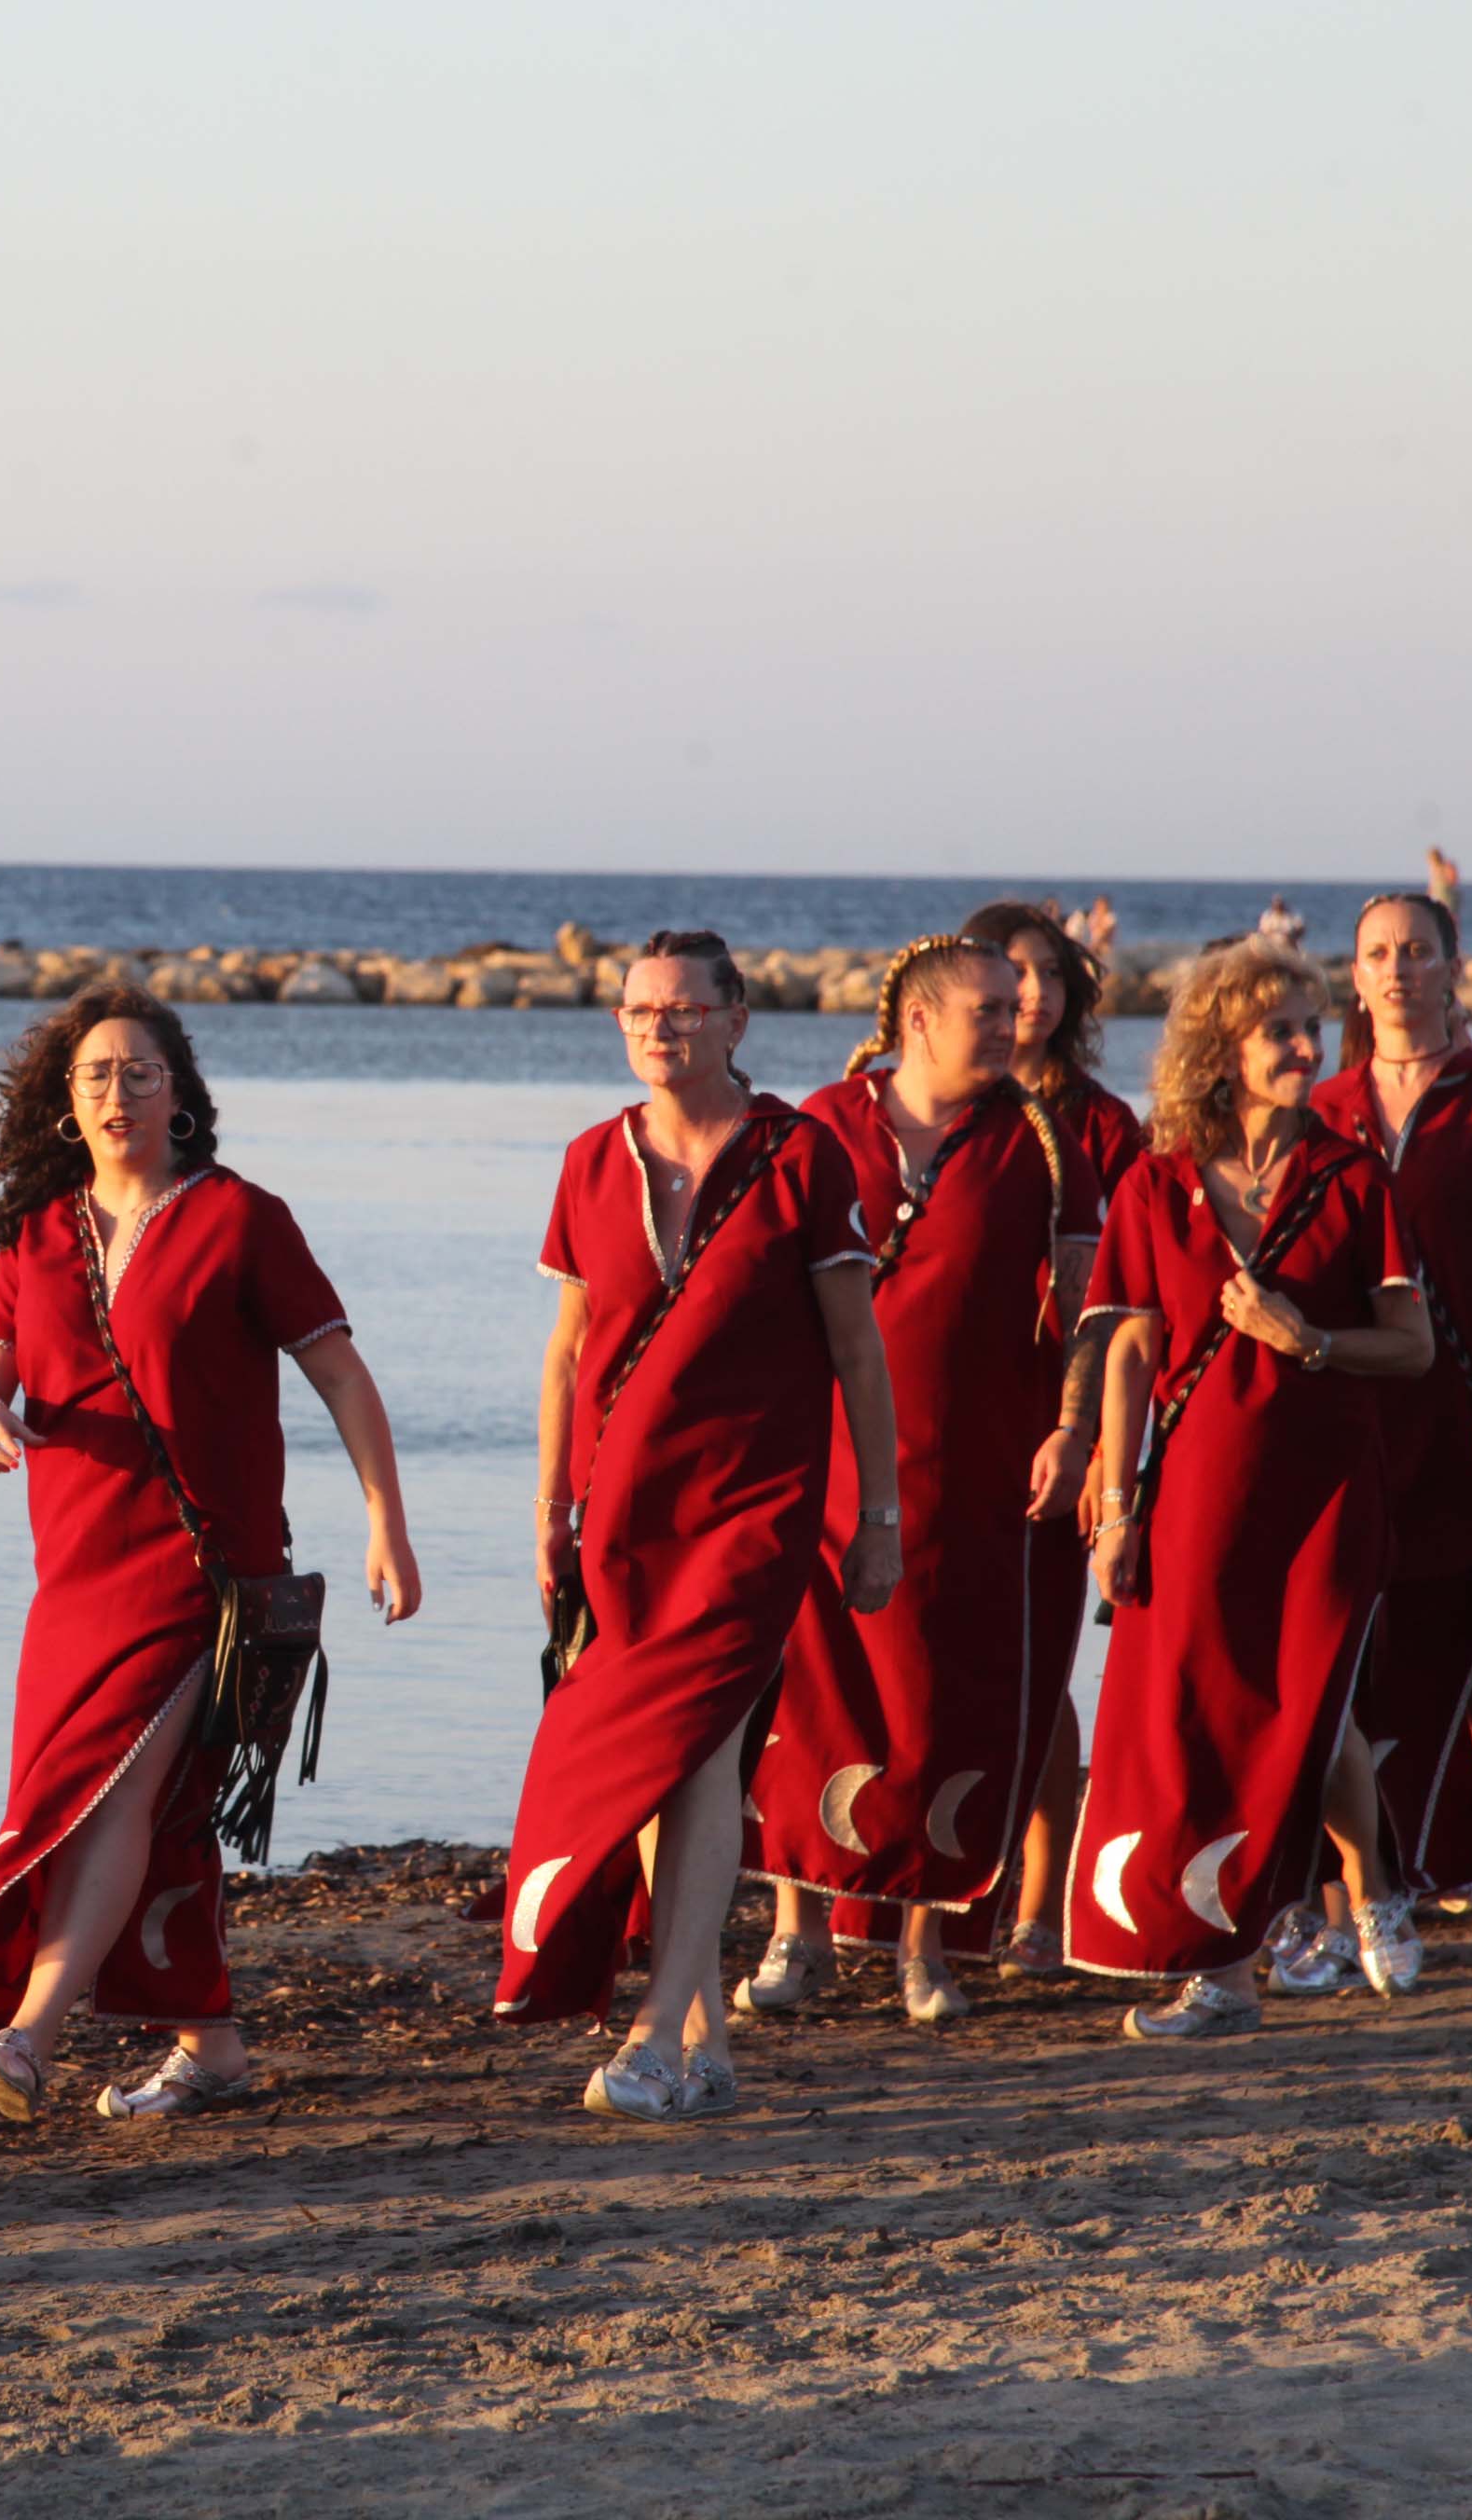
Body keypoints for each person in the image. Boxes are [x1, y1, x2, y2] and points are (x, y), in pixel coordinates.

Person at [0, 985, 418, 2123]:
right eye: (94, 1075)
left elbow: (340, 1372)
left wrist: (386, 1520)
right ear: (64, 1102)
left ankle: (31, 2035)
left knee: (114, 1799)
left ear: (181, 1097)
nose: (116, 1092)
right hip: (73, 1579)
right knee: (133, 1809)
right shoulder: (37, 1235)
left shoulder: (242, 1219)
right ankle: (215, 2049)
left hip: (203, 1573)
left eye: (140, 1073)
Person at [501, 931, 899, 2123]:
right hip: (622, 1517)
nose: (658, 1030)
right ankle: (709, 2041)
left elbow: (856, 1352)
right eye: (638, 1012)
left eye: (682, 1011)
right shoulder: (587, 1161)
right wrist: (547, 1510)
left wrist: (877, 1517)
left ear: (735, 1019)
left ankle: (656, 2031)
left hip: (752, 1510)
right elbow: (571, 1352)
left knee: (709, 1749)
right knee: (655, 1758)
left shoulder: (801, 1157)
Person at [1072, 943, 1432, 2041]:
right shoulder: (1153, 1179)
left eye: (1316, 1025)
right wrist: (1119, 1503)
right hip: (1189, 1497)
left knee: (1312, 1712)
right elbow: (1131, 1350)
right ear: (1222, 1047)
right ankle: (1224, 1973)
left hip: (1325, 1495)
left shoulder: (1354, 1176)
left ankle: (1369, 1887)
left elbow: (1412, 1345)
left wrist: (1310, 1337)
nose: (1309, 1046)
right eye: (1281, 1028)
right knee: (1201, 1722)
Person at [743, 937, 1094, 2026]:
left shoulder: (1040, 1137)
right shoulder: (819, 1123)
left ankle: (922, 1948)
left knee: (941, 1706)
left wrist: (1076, 1429)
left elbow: (1090, 1309)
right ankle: (796, 1938)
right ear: (919, 1020)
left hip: (981, 1467)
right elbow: (754, 1290)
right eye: (988, 1008)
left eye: (1015, 1006)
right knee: (812, 1698)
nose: (1013, 1020)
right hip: (833, 1458)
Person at [1308, 891, 1472, 1972]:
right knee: (1340, 1668)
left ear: (1453, 963)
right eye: (1379, 953)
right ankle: (1347, 1908)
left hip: (1465, 1421)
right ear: (1357, 973)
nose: (1399, 969)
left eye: (1418, 950)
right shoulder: (1318, 1105)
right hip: (1346, 1422)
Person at [963, 899, 1146, 1978]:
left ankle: (1039, 1901)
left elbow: (1124, 1307)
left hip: (1058, 1434)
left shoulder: (1103, 1127)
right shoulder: (928, 1108)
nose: (1028, 997)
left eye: (1047, 977)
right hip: (945, 1428)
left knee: (1039, 1671)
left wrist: (1094, 1446)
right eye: (1006, 977)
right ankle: (939, 1889)